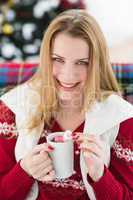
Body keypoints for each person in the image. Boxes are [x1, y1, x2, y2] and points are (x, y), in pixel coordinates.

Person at [0, 9, 133, 200]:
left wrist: (101, 176)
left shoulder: (121, 120)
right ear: (46, 59)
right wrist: (24, 171)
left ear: (96, 64)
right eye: (58, 60)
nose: (68, 75)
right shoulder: (13, 109)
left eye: (82, 63)